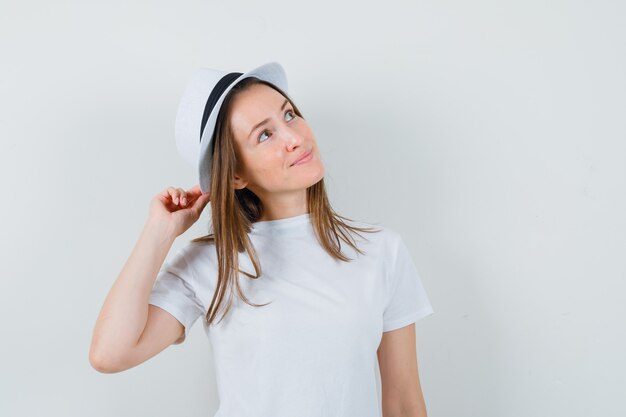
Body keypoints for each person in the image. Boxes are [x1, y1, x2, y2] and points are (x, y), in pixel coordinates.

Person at [89, 62, 435, 417]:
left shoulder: (380, 251)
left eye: (289, 115)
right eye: (264, 135)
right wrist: (157, 233)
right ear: (236, 174)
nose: (295, 138)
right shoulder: (211, 263)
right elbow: (110, 354)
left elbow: (405, 401)